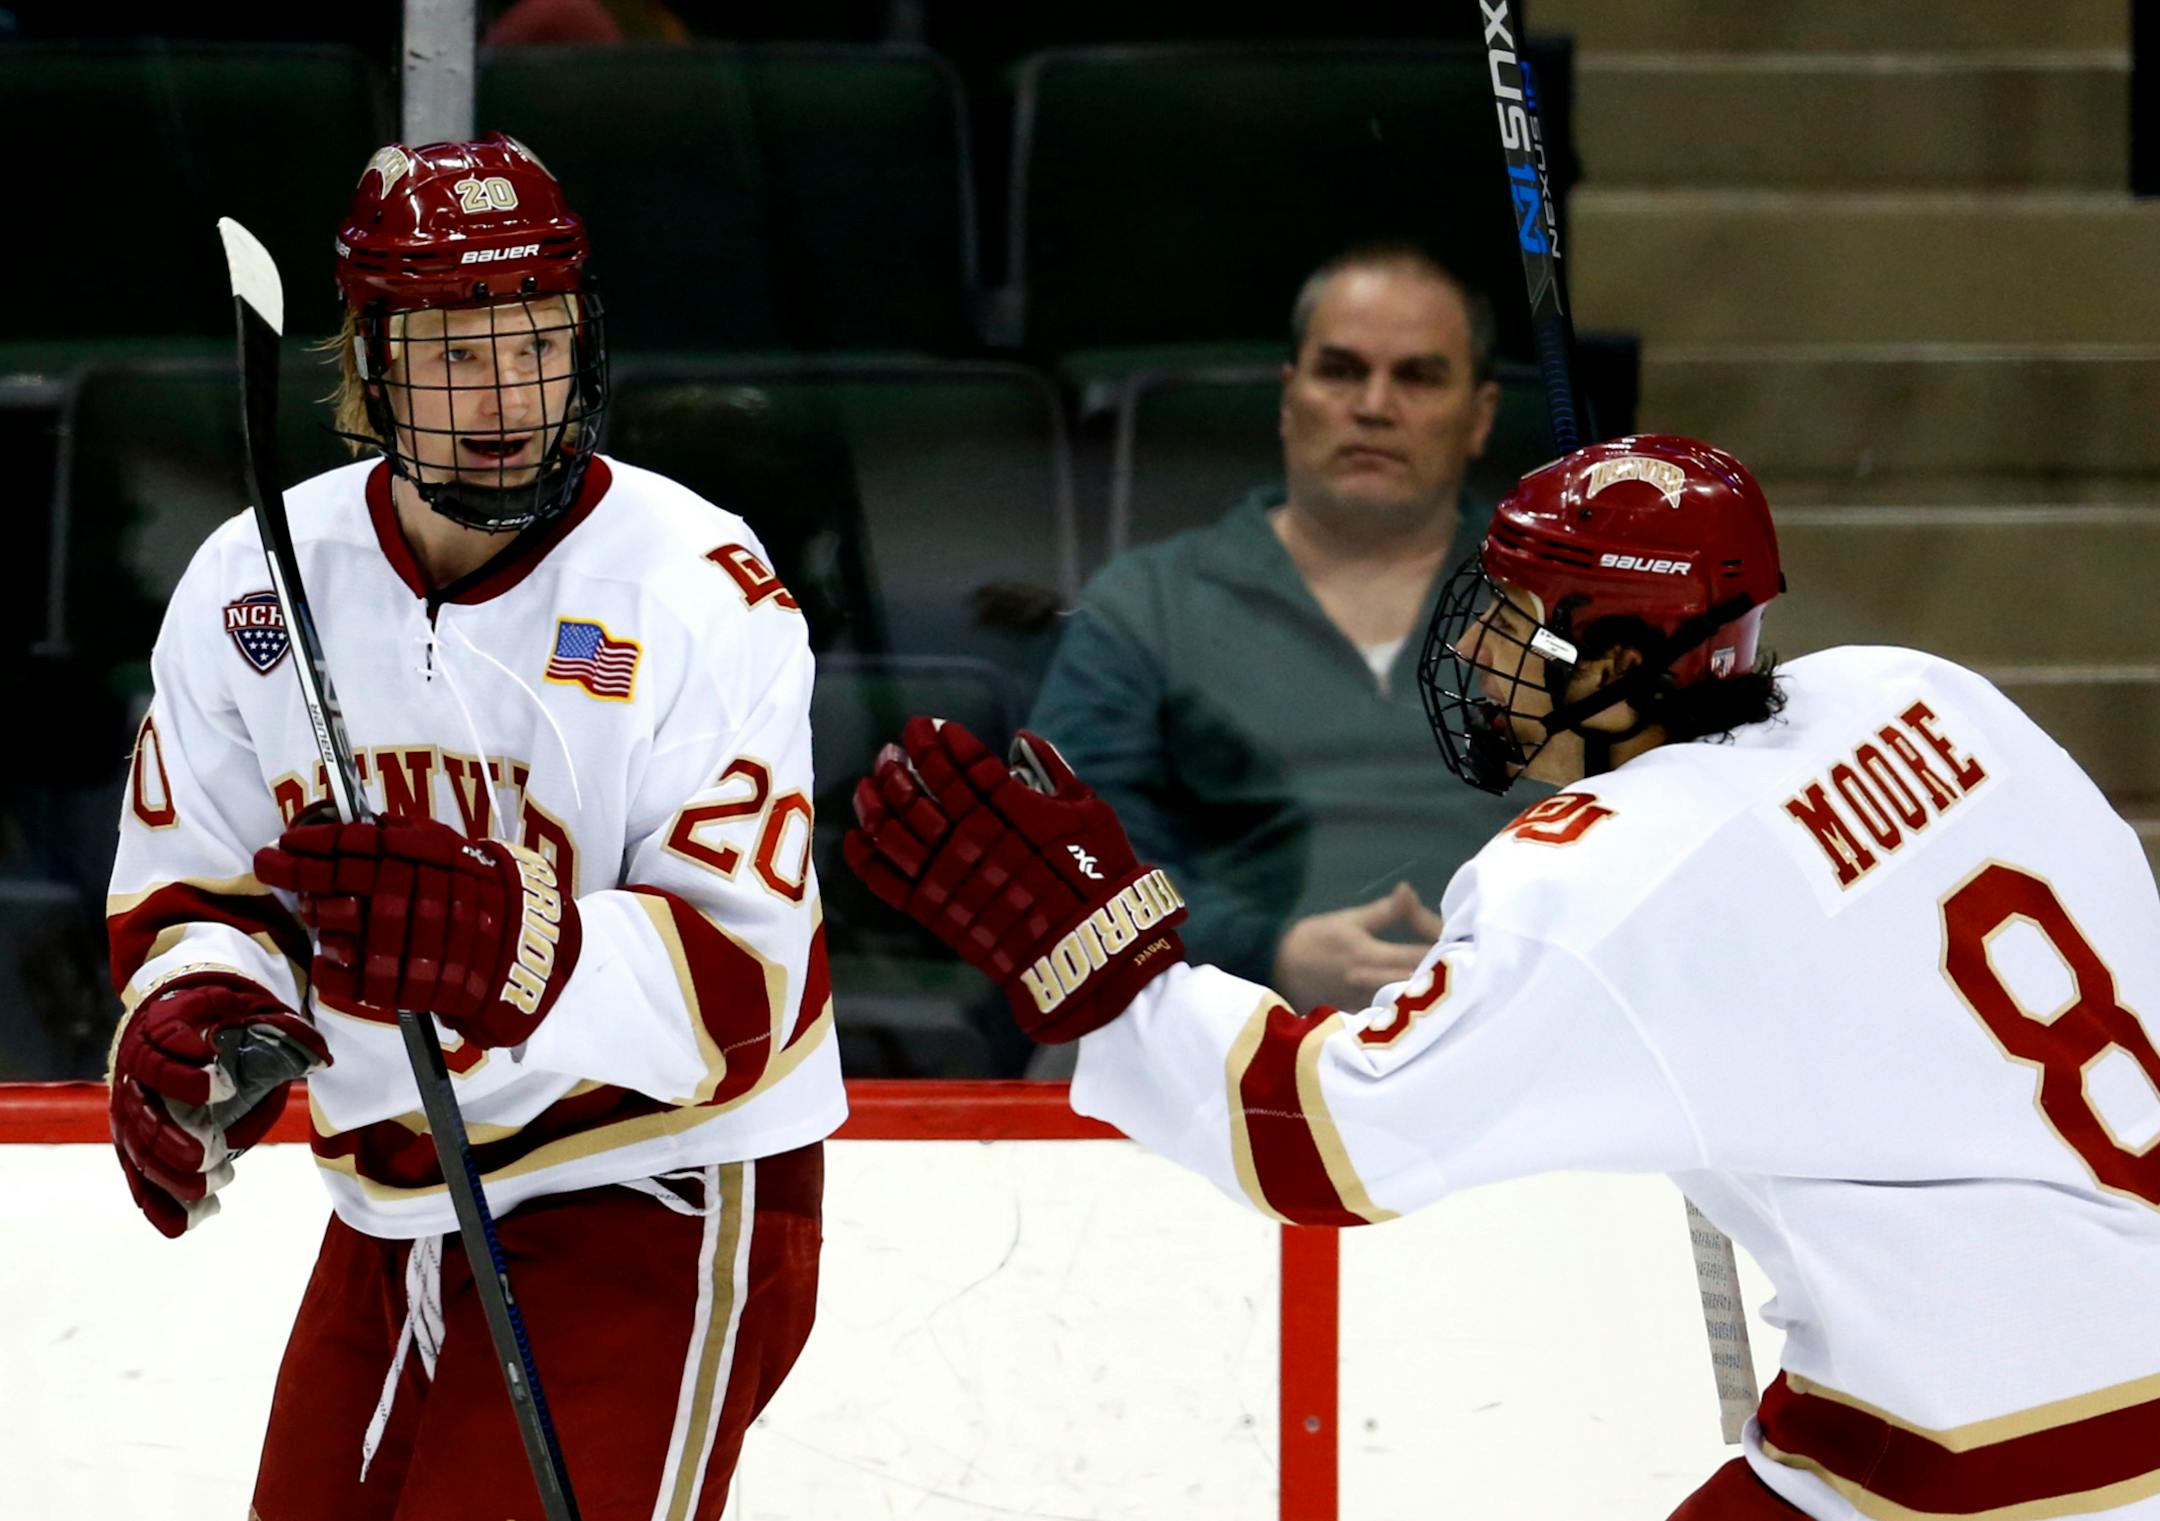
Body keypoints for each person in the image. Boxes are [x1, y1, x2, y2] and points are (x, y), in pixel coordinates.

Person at [846, 433, 2160, 1519]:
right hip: (1989, 1387)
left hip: (2003, 1452)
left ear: (1620, 657)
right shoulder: (1913, 692)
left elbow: (1320, 1141)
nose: (1479, 653)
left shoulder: (1608, 880)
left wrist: (1106, 959)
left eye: (1519, 624)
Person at [104, 134, 842, 1520]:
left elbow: (754, 991)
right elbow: (197, 884)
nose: (505, 394)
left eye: (535, 342)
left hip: (653, 1184)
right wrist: (201, 1011)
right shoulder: (252, 583)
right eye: (451, 356)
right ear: (368, 370)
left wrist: (526, 947)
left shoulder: (696, 588)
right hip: (388, 1199)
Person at [1027, 242, 1522, 1023]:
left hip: (1514, 1037)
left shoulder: (1554, 609)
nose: (1374, 405)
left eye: (1418, 377)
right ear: (1289, 398)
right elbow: (1063, 866)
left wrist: (1501, 961)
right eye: (1341, 371)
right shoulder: (1148, 603)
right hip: (1209, 1041)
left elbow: (1631, 849)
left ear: (1481, 415)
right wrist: (1267, 953)